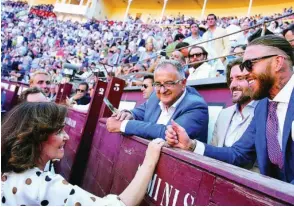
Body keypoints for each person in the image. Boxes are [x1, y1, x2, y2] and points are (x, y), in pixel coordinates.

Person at [165, 35, 294, 184]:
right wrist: (191, 145)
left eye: (250, 64)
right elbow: (239, 154)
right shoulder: (263, 108)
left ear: (278, 62)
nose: (245, 72)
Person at [1, 102, 165, 205]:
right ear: (37, 138)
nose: (66, 137)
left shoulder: (8, 174)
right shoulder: (44, 186)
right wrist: (149, 161)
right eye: (58, 131)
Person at [107, 60, 208, 142]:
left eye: (169, 83)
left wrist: (124, 125)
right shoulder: (155, 96)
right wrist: (128, 114)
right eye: (158, 84)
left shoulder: (196, 106)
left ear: (183, 83)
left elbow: (170, 133)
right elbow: (141, 111)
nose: (162, 90)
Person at [211, 58, 258, 148]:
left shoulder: (265, 112)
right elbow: (213, 149)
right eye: (231, 79)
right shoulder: (224, 114)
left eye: (240, 78)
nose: (232, 85)